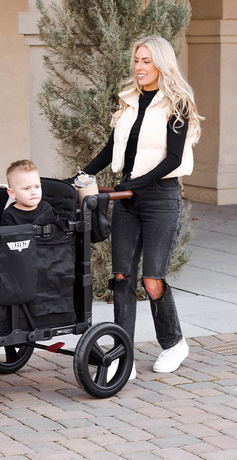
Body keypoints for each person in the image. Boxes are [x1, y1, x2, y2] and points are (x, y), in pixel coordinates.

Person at [77, 35, 202, 378]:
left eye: (147, 61)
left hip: (161, 197)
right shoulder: (129, 100)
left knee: (152, 279)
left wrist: (135, 184)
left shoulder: (177, 103)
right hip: (127, 198)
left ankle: (174, 343)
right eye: (136, 60)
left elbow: (174, 159)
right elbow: (111, 148)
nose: (139, 67)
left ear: (161, 63)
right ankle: (124, 354)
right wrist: (82, 174)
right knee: (121, 277)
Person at [1, 160, 52, 225]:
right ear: (12, 193)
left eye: (37, 187)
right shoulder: (9, 215)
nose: (34, 192)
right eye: (26, 188)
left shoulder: (46, 208)